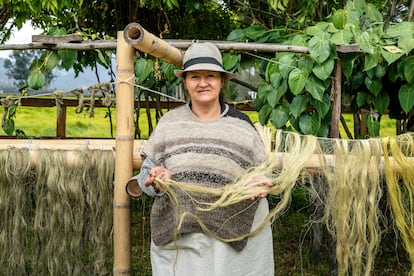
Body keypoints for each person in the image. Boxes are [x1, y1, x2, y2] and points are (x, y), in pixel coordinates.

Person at [126, 42, 274, 276]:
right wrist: (156, 179)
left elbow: (263, 171)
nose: (203, 83)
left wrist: (259, 182)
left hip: (229, 235)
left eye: (210, 76)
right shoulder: (170, 123)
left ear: (221, 81)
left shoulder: (242, 125)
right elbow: (147, 173)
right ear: (185, 82)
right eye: (195, 76)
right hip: (181, 236)